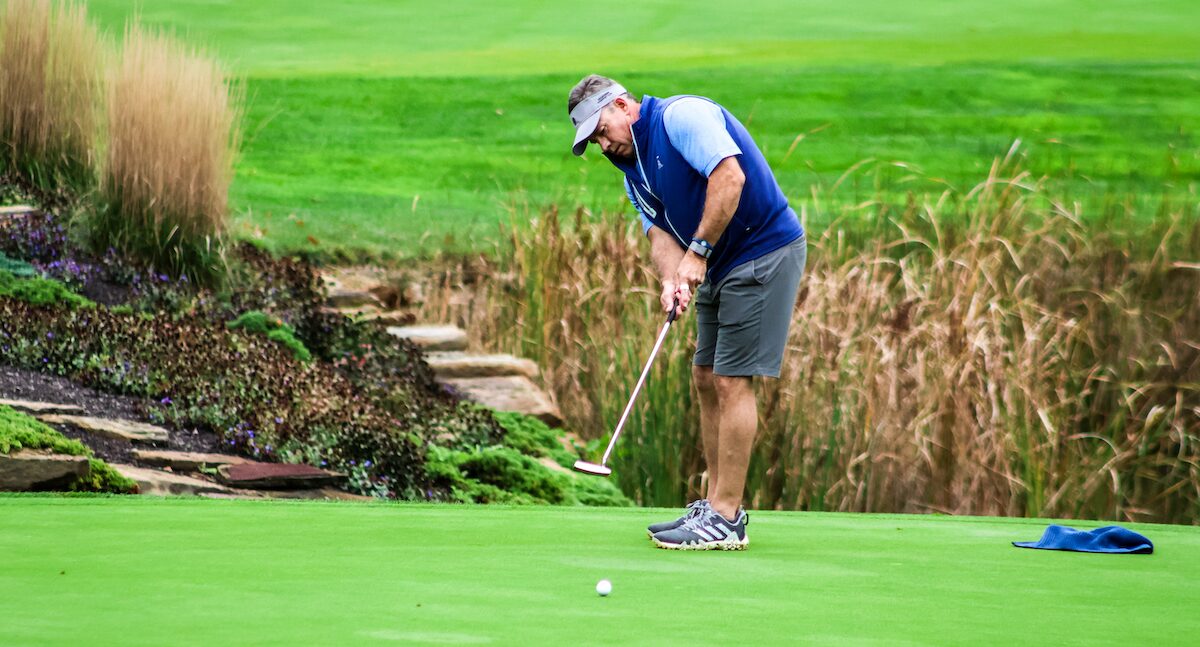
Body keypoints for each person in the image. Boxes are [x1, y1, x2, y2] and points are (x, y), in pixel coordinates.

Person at [567, 74, 807, 550]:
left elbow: (730, 177)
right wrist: (671, 278)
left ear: (622, 104)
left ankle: (726, 515)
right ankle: (713, 505)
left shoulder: (682, 117)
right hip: (720, 259)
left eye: (601, 129)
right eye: (592, 138)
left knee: (731, 379)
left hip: (762, 250)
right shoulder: (630, 165)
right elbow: (658, 231)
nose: (601, 143)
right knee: (703, 375)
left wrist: (696, 255)